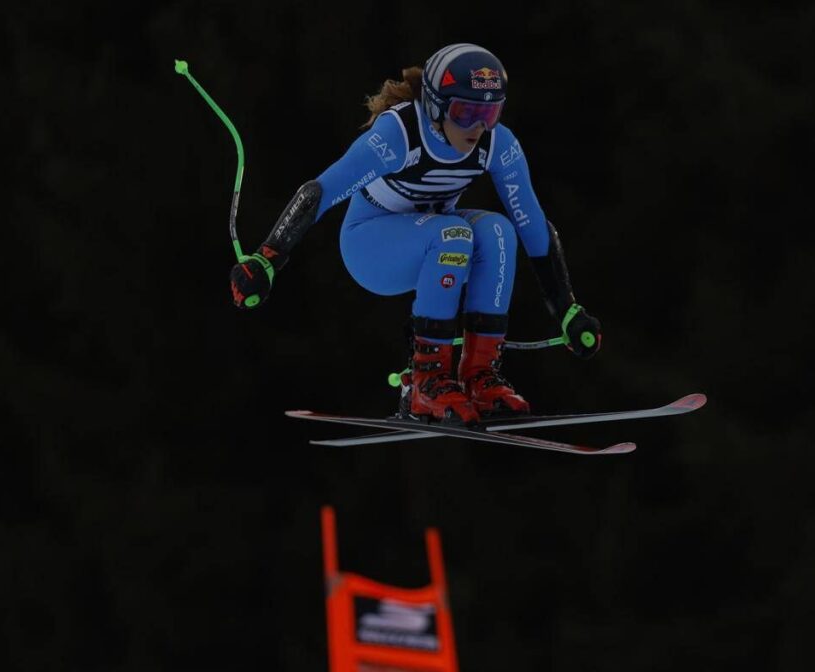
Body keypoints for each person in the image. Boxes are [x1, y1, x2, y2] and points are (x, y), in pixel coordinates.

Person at [229, 43, 602, 425]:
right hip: (370, 248)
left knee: (499, 231)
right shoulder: (400, 133)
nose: (477, 128)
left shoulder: (497, 144)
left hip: (432, 241)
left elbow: (532, 225)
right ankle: (428, 381)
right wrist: (268, 257)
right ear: (438, 106)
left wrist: (566, 308)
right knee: (455, 233)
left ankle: (478, 376)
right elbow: (322, 190)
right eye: (465, 112)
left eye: (489, 113)